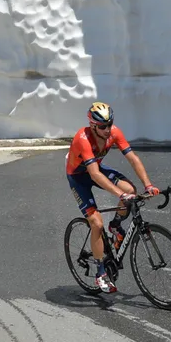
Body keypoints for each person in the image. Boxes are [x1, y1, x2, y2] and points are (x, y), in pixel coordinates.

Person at [65, 101, 161, 294]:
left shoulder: (114, 132)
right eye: (103, 127)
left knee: (131, 190)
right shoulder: (82, 138)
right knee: (97, 224)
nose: (108, 129)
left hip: (96, 169)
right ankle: (100, 273)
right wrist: (120, 194)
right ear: (93, 126)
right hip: (79, 176)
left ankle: (116, 226)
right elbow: (94, 174)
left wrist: (148, 184)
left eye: (110, 124)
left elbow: (132, 158)